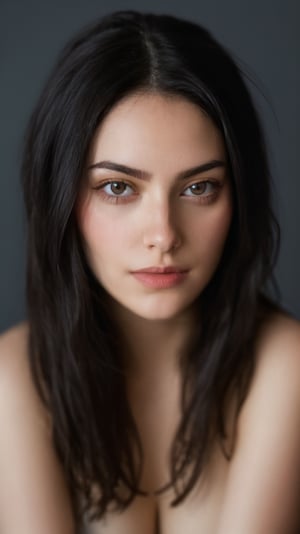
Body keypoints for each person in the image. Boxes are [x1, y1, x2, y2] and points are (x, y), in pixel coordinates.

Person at [0, 9, 299, 534]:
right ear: (61, 197)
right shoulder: (15, 380)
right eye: (118, 187)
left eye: (198, 187)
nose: (163, 233)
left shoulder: (286, 367)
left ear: (239, 195)